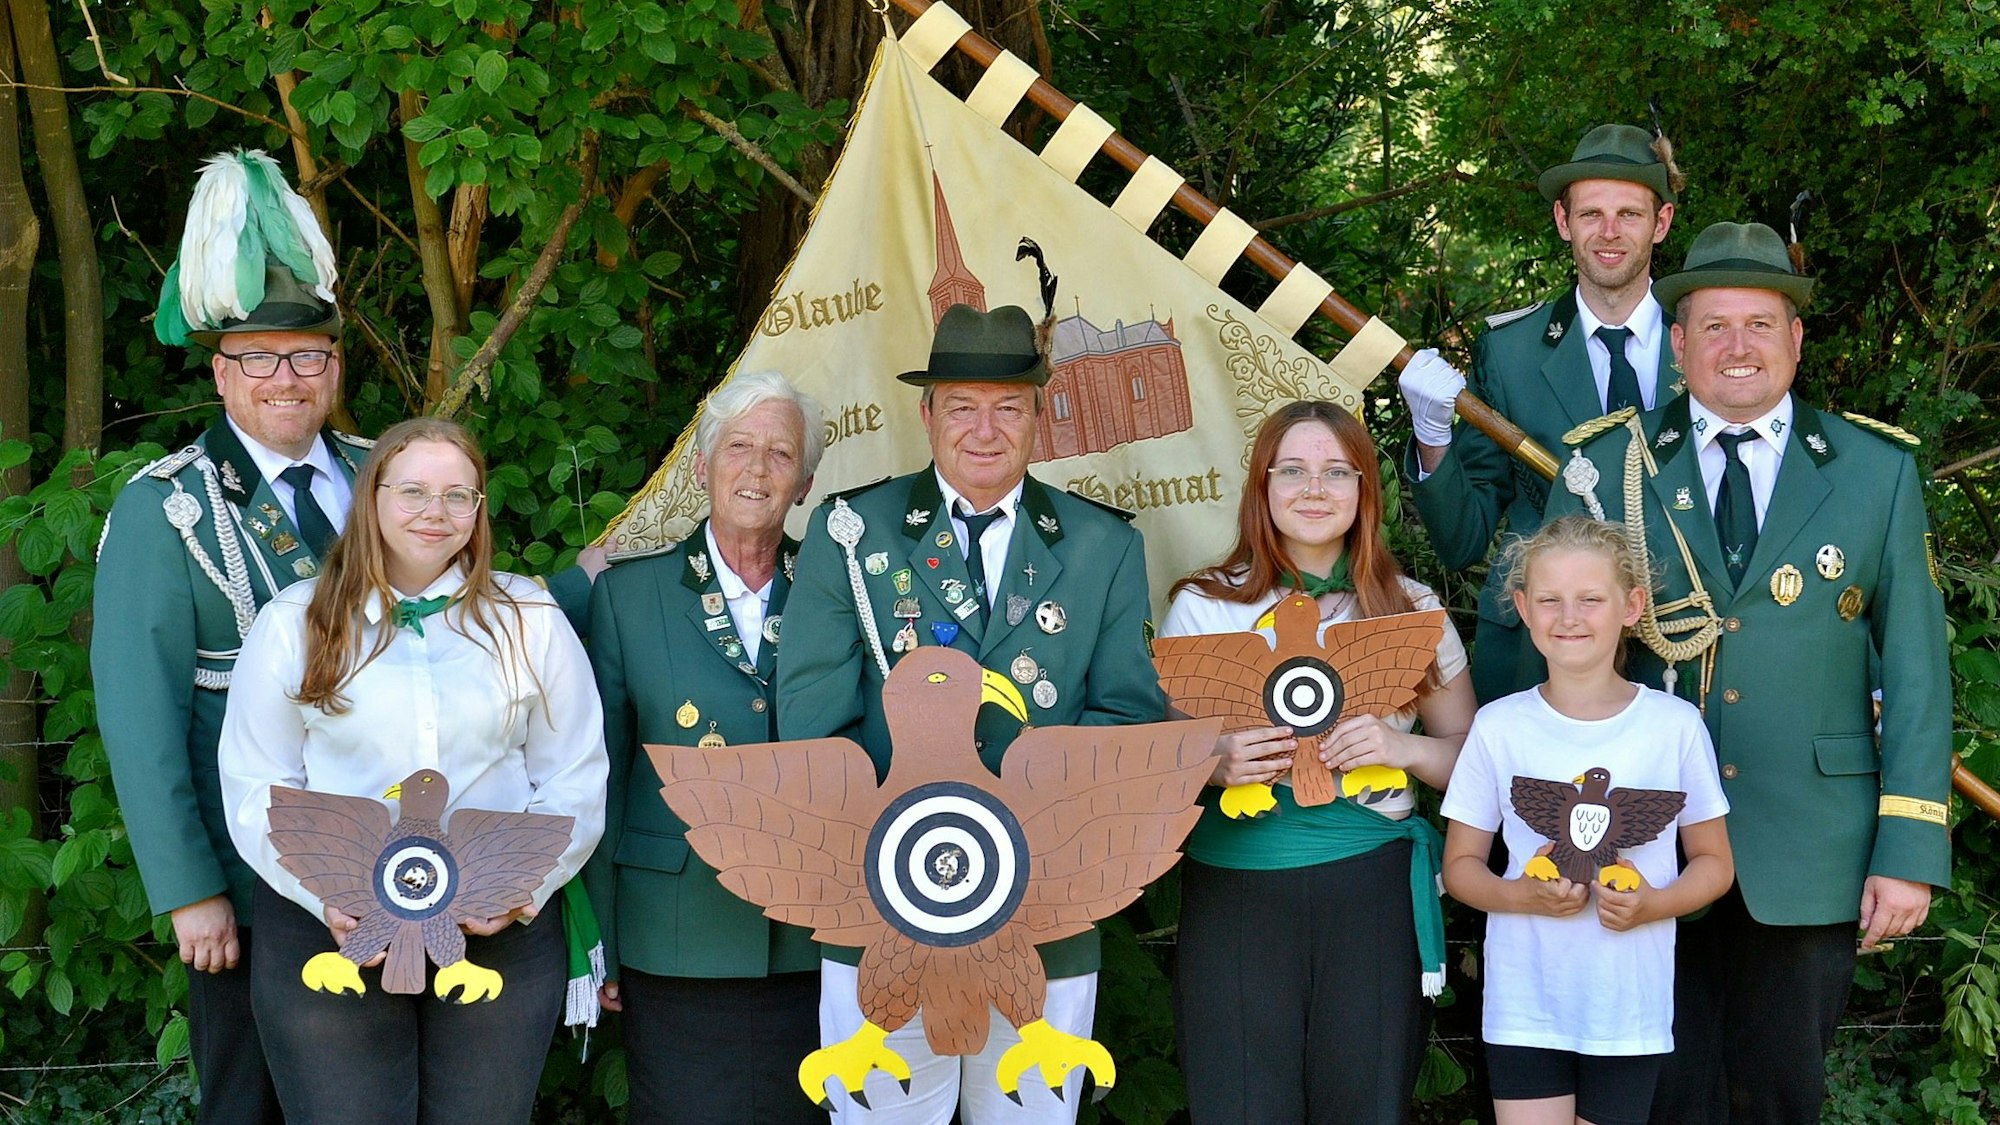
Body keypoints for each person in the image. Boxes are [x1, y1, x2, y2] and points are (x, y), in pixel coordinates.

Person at [93, 150, 601, 1123]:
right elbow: (140, 718)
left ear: (333, 367)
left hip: (444, 875)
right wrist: (192, 891)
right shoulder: (170, 512)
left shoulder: (391, 473)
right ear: (221, 370)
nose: (284, 378)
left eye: (307, 357)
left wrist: (597, 573)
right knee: (252, 1103)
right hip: (263, 880)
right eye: (258, 358)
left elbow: (482, 620)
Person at [1542, 221, 1951, 1123]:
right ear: (1677, 343)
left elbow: (1919, 672)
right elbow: (1536, 644)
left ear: (1796, 340)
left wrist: (1910, 850)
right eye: (1714, 326)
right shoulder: (1608, 465)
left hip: (1810, 846)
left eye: (1760, 325)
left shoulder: (1873, 471)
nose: (1738, 347)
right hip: (1634, 842)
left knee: (1780, 1097)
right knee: (1652, 1097)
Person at [777, 303, 1165, 1123]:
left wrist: (1024, 813)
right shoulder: (853, 533)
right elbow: (813, 727)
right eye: (962, 405)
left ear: (1037, 415)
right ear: (927, 415)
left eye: (1007, 406)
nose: (984, 429)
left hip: (1047, 905)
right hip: (882, 907)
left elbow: (1126, 720)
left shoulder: (1102, 544)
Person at [215, 417, 607, 1121]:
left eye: (460, 495)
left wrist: (519, 887)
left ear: (480, 509)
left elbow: (575, 776)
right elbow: (256, 785)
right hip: (332, 926)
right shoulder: (295, 623)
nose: (437, 512)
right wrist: (322, 894)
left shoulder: (530, 618)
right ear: (371, 498)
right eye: (415, 491)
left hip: (497, 931)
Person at [1158, 400, 1476, 1124]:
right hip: (1238, 890)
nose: (1314, 488)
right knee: (1242, 1104)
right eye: (1292, 470)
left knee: (1363, 1103)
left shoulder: (1412, 610)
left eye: (1337, 471)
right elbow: (1161, 762)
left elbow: (1472, 763)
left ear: (1365, 489)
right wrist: (1216, 759)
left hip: (1367, 888)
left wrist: (1403, 747)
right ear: (1262, 487)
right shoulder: (1203, 606)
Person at [583, 371, 829, 1124]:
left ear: (806, 481)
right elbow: (603, 778)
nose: (756, 471)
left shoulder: (834, 591)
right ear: (701, 465)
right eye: (738, 448)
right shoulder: (630, 595)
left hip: (812, 930)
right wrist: (601, 944)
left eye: (779, 454)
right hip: (674, 928)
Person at [1440, 514, 1733, 1125]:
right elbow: (1462, 868)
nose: (1568, 617)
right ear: (1522, 607)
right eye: (1550, 600)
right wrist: (1519, 894)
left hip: (1626, 1010)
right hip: (1526, 1004)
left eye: (1590, 599)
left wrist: (1653, 904)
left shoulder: (1674, 727)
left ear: (1632, 606)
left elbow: (1714, 864)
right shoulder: (1498, 727)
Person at [1399, 122, 1684, 702]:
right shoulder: (1511, 351)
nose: (1609, 233)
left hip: (1680, 641)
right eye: (1590, 214)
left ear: (1661, 224)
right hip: (1540, 650)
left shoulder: (1708, 342)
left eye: (1629, 214)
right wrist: (1433, 440)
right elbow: (1463, 542)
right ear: (1562, 222)